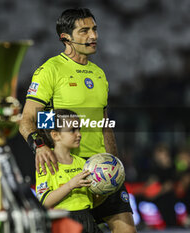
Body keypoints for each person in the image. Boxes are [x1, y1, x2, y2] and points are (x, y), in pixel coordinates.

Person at [20, 8, 136, 233]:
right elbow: (27, 119)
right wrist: (40, 145)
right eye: (84, 31)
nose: (93, 36)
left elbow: (103, 122)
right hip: (69, 170)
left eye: (94, 29)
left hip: (103, 169)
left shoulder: (99, 74)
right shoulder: (49, 71)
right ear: (66, 38)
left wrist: (114, 161)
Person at [35, 109, 102, 233]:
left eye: (79, 129)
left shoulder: (84, 163)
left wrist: (105, 190)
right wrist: (71, 185)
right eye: (72, 130)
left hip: (88, 219)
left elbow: (93, 200)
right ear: (55, 135)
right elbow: (44, 202)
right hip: (63, 223)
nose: (79, 134)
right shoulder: (45, 164)